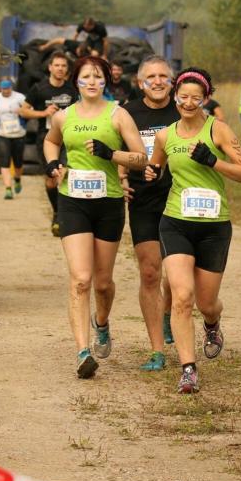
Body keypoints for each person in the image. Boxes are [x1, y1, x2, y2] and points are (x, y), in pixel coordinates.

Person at [145, 67, 241, 393]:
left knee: (206, 303)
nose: (189, 103)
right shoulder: (166, 135)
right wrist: (150, 172)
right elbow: (156, 165)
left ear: (205, 99)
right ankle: (188, 368)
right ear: (175, 97)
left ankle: (212, 322)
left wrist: (213, 161)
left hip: (213, 226)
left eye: (196, 97)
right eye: (183, 97)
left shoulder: (218, 130)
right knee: (182, 296)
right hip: (175, 222)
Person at [44, 56, 147, 379]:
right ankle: (82, 352)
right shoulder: (63, 116)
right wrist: (52, 163)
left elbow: (142, 158)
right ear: (76, 81)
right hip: (72, 202)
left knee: (102, 283)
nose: (91, 82)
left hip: (108, 203)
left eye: (97, 76)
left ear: (106, 81)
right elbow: (51, 141)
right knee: (80, 279)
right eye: (86, 76)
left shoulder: (119, 114)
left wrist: (111, 154)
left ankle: (101, 323)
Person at [121, 55, 179, 371]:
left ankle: (169, 311)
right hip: (143, 200)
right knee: (150, 273)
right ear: (140, 82)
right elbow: (115, 152)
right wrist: (120, 178)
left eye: (163, 76)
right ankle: (157, 350)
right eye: (151, 77)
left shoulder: (184, 109)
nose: (157, 81)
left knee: (179, 275)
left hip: (180, 200)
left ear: (172, 81)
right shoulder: (127, 112)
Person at [20, 51, 76, 236]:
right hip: (46, 139)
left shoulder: (72, 90)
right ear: (50, 67)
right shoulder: (39, 88)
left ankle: (65, 217)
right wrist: (43, 113)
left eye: (63, 66)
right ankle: (57, 212)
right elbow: (23, 111)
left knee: (64, 175)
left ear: (67, 70)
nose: (60, 69)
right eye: (57, 65)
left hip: (68, 138)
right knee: (51, 180)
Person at [0, 79, 27, 199]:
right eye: (4, 89)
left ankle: (17, 179)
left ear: (11, 88)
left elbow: (29, 109)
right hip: (2, 133)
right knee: (4, 161)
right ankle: (8, 189)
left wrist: (21, 111)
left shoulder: (20, 97)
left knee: (18, 162)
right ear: (1, 89)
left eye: (8, 89)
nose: (6, 91)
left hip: (18, 133)